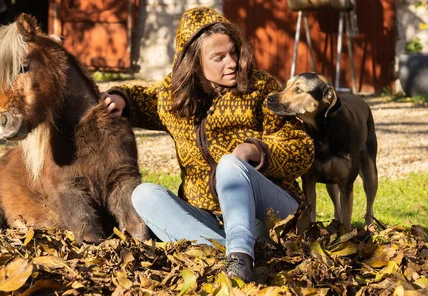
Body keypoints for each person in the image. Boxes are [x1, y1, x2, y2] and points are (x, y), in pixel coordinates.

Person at [101, 6, 314, 282]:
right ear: (193, 62)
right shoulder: (173, 97)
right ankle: (236, 257)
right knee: (142, 195)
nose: (233, 63)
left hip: (274, 216)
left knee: (229, 165)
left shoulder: (259, 88)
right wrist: (122, 98)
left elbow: (302, 148)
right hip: (211, 219)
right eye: (219, 57)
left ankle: (239, 254)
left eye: (234, 52)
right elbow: (146, 98)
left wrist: (258, 150)